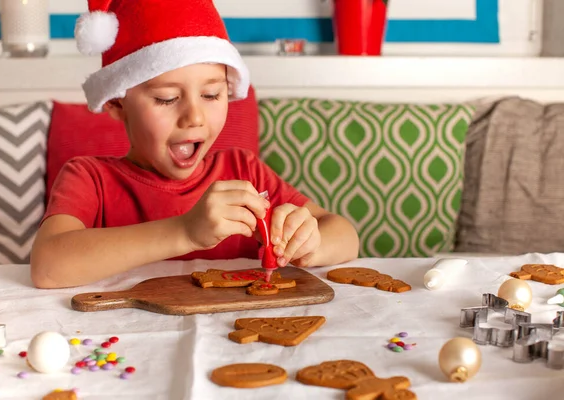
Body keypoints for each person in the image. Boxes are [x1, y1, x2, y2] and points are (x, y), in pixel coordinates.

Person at [30, 0, 359, 289]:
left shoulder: (244, 171)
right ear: (117, 104)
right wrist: (185, 231)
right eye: (167, 98)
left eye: (212, 94)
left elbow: (345, 235)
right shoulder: (89, 179)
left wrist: (309, 242)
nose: (194, 117)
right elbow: (47, 267)